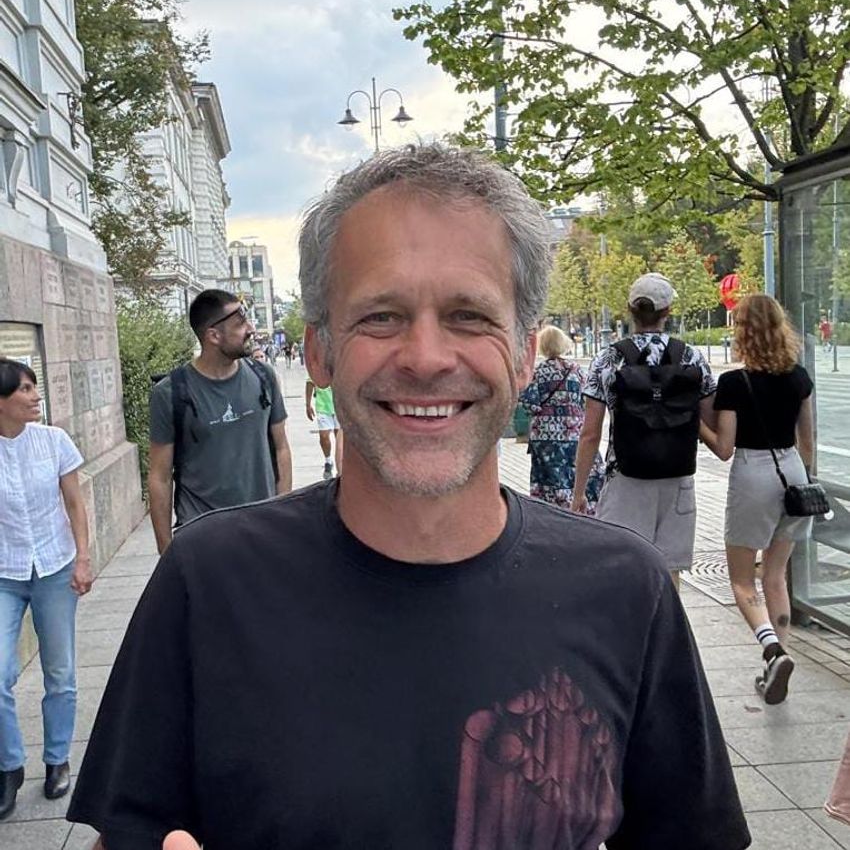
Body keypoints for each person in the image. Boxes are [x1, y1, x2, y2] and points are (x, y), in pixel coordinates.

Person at [68, 145, 749, 850]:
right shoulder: (207, 582)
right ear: (319, 353)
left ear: (522, 355)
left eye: (468, 315)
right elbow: (129, 834)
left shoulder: (626, 591)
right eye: (382, 317)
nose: (425, 357)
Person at [700, 293, 814, 706]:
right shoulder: (800, 377)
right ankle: (776, 663)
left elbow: (725, 447)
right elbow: (808, 443)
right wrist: (798, 481)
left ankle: (772, 650)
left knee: (742, 580)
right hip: (793, 478)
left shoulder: (734, 383)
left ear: (743, 332)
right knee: (776, 576)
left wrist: (699, 423)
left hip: (753, 473)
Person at [572, 273, 716, 589]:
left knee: (622, 573)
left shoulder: (608, 358)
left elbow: (590, 434)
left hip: (625, 477)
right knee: (669, 575)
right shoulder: (691, 356)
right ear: (668, 311)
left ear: (629, 310)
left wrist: (579, 490)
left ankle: (628, 636)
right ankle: (665, 636)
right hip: (676, 477)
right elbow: (710, 420)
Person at [0, 359, 93, 819]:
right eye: (24, 389)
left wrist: (83, 556)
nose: (36, 396)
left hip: (55, 568)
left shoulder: (54, 441)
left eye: (35, 387)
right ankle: (9, 766)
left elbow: (74, 502)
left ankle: (57, 759)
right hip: (4, 574)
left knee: (61, 673)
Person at [147, 290, 292, 555]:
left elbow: (281, 448)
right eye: (240, 324)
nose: (250, 329)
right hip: (203, 538)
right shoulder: (171, 393)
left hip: (262, 530)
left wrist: (282, 514)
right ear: (213, 336)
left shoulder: (264, 377)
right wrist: (166, 550)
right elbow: (159, 476)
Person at [518, 325, 604, 511]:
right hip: (574, 434)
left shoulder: (538, 372)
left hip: (544, 438)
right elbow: (588, 399)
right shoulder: (576, 371)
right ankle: (578, 507)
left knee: (549, 477)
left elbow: (528, 404)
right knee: (575, 473)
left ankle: (552, 511)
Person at [305, 377, 342, 479]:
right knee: (324, 436)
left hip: (339, 406)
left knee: (339, 440)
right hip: (323, 407)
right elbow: (310, 382)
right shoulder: (319, 364)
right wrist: (308, 405)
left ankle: (341, 470)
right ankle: (328, 460)